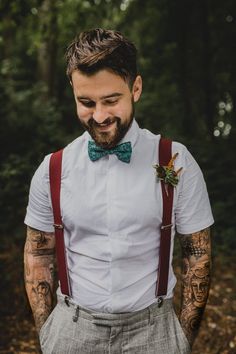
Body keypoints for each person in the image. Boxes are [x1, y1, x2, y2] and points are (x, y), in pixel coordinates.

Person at [24, 28, 214, 354]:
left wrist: (181, 339)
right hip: (71, 333)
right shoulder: (52, 169)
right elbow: (38, 252)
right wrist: (48, 333)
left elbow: (198, 254)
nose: (99, 116)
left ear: (135, 88)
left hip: (155, 332)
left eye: (111, 101)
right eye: (86, 102)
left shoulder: (173, 161)